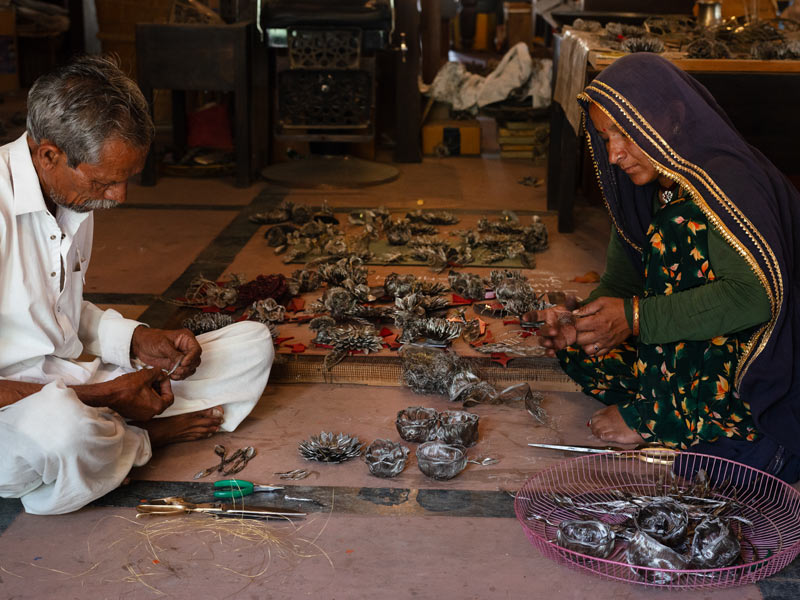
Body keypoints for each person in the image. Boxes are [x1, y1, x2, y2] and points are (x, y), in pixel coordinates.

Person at [0, 56, 274, 515]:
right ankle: (141, 438)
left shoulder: (71, 196)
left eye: (124, 180)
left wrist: (138, 340)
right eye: (105, 182)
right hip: (21, 412)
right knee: (65, 431)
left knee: (253, 343)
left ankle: (111, 439)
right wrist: (102, 396)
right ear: (49, 156)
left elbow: (52, 311)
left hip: (70, 384)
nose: (119, 196)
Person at [525, 53, 800, 482]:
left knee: (676, 228)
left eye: (625, 133)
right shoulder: (648, 188)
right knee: (585, 353)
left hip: (772, 362)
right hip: (708, 351)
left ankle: (662, 416)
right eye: (605, 137)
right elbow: (621, 282)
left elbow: (754, 298)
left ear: (671, 118)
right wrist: (583, 322)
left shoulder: (728, 181)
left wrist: (634, 318)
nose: (614, 154)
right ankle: (673, 407)